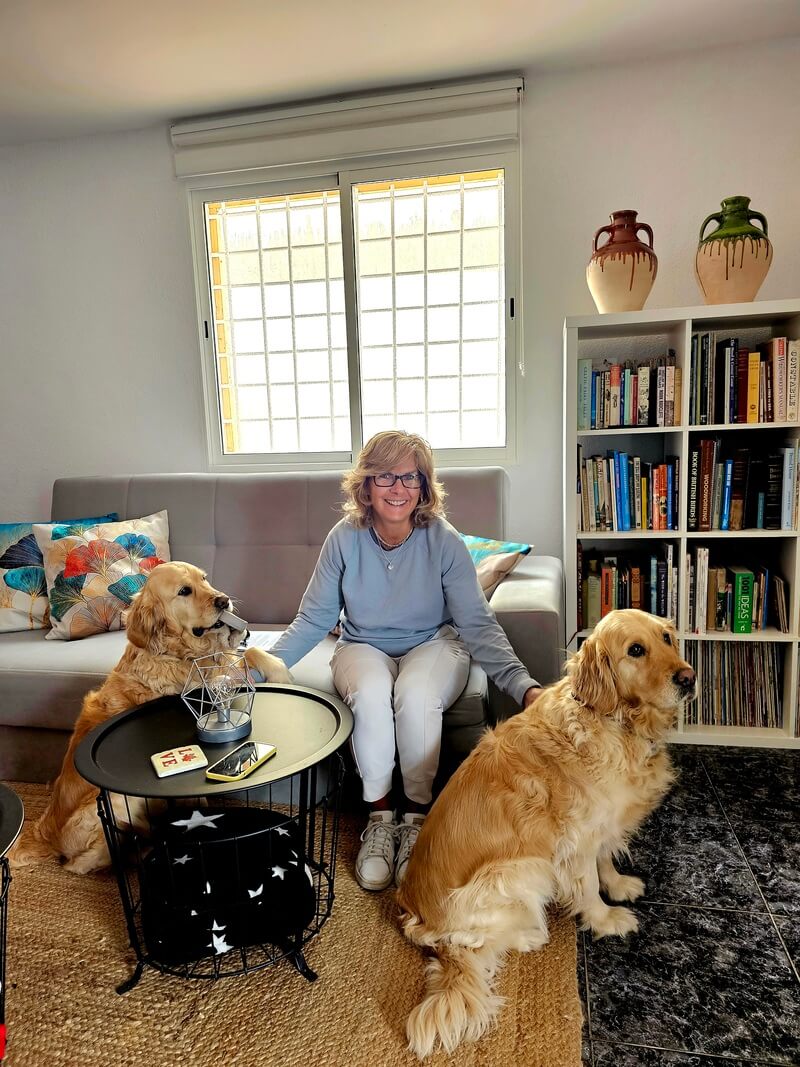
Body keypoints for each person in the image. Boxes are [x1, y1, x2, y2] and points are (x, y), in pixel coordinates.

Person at [268, 430, 541, 891]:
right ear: (366, 487)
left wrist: (522, 685)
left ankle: (416, 821)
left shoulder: (443, 539)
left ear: (424, 486)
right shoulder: (344, 539)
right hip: (362, 646)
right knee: (372, 693)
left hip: (434, 644)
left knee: (414, 695)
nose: (398, 488)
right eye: (385, 476)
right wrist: (261, 666)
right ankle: (379, 820)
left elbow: (476, 622)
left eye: (409, 477)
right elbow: (313, 619)